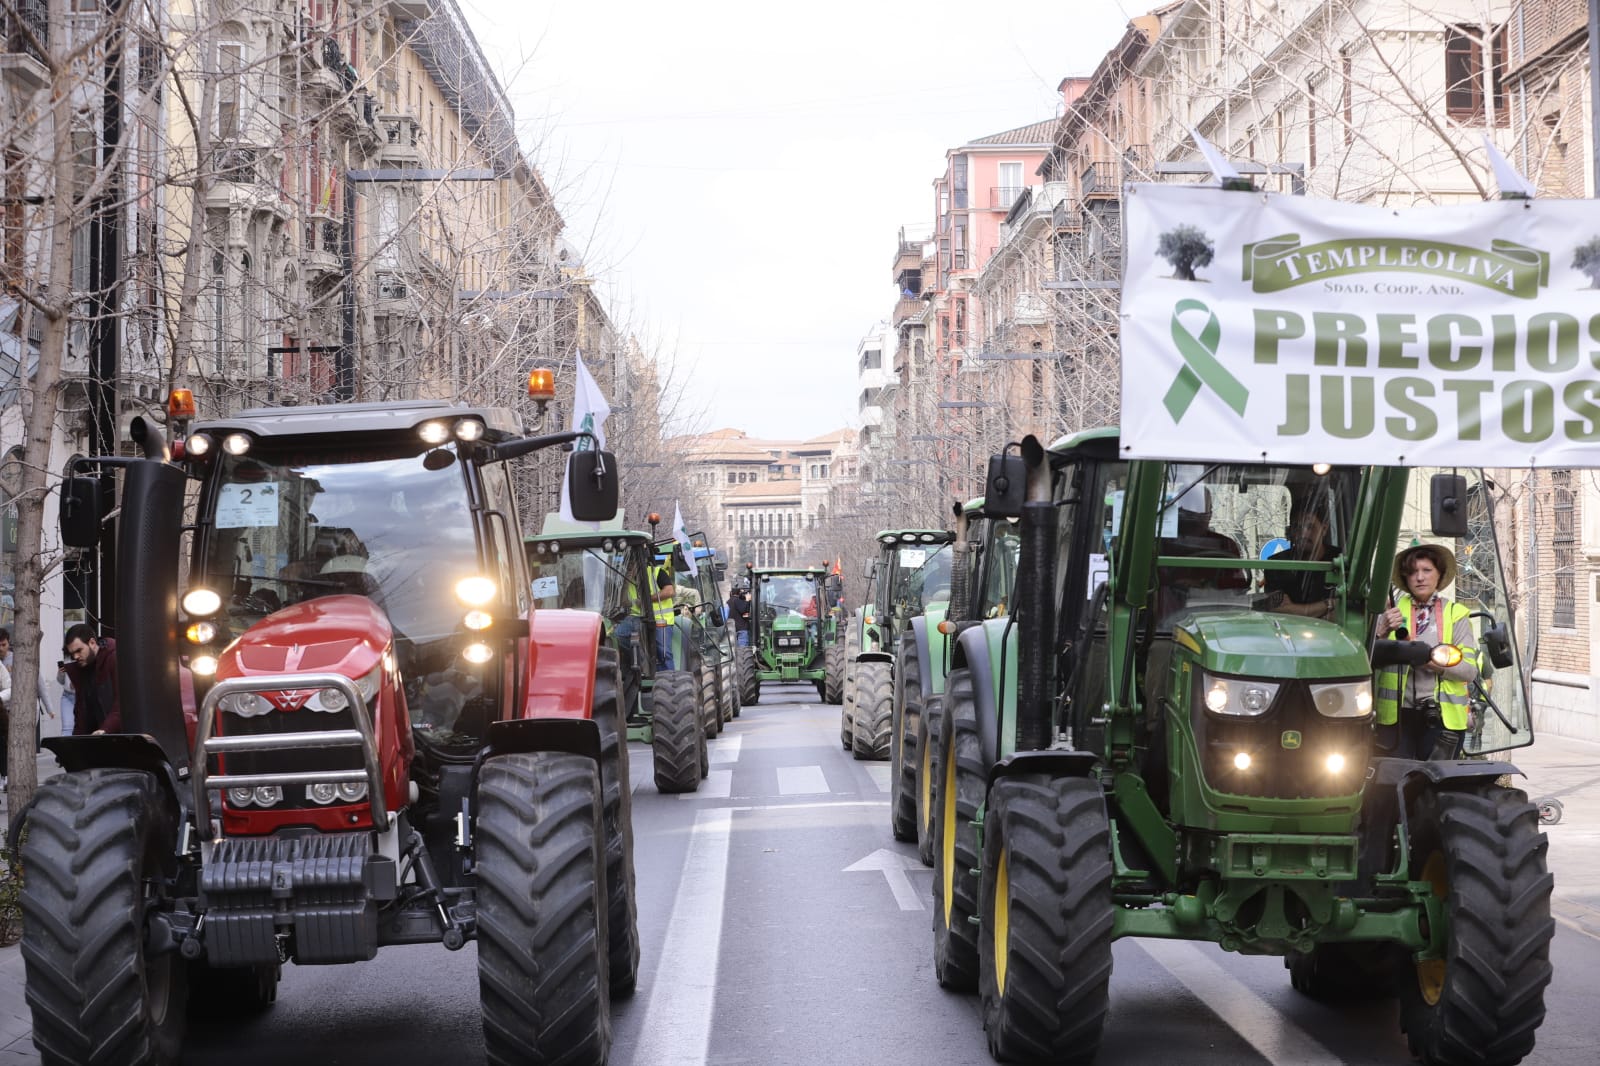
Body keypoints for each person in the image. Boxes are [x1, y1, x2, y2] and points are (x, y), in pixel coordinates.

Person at [1375, 544, 1480, 760]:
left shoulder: (1456, 614)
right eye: (1413, 572)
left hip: (1444, 720)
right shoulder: (1388, 613)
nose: (1419, 577)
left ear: (1439, 574)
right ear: (1405, 578)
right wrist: (1381, 631)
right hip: (1396, 719)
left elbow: (1469, 671)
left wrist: (1425, 659)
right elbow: (1365, 661)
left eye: (1427, 570)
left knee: (1432, 787)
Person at [1258, 497, 1340, 619]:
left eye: (1310, 527)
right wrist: (1329, 604)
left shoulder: (1342, 561)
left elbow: (1346, 613)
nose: (1302, 534)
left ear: (1324, 529)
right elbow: (1280, 611)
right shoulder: (1277, 563)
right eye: (1297, 527)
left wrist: (1297, 610)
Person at [63, 624, 122, 735]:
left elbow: (121, 703)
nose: (75, 657)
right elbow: (80, 712)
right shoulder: (81, 669)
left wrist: (105, 729)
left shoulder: (113, 658)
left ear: (92, 643)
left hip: (116, 737)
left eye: (79, 650)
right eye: (72, 654)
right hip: (97, 738)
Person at [651, 553, 677, 670]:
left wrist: (649, 598)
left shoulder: (657, 572)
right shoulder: (626, 576)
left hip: (661, 620)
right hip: (637, 619)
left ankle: (670, 679)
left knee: (663, 653)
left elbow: (670, 591)